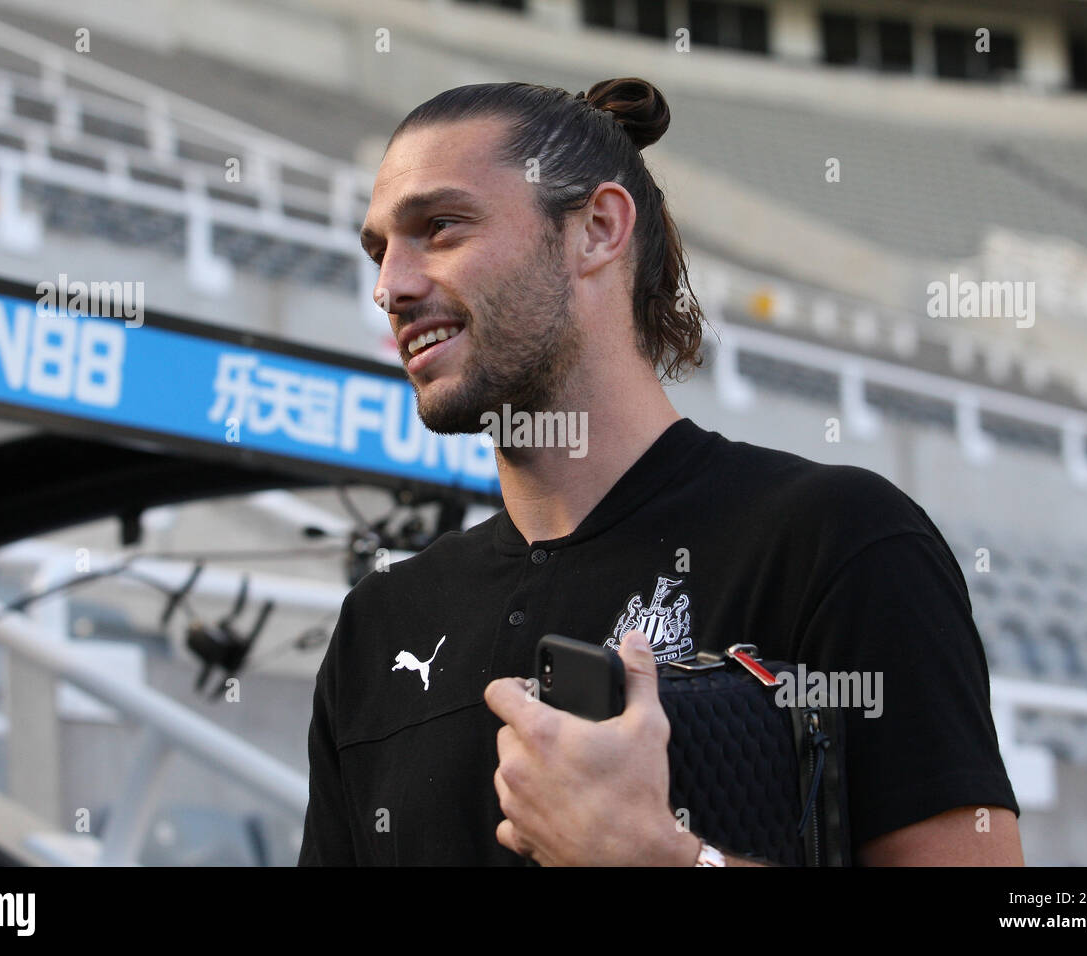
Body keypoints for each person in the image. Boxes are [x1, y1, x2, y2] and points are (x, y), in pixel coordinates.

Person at [299, 78, 1022, 866]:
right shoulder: (380, 624)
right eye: (378, 250)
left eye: (439, 227)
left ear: (598, 229)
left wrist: (664, 859)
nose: (390, 287)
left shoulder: (836, 540)